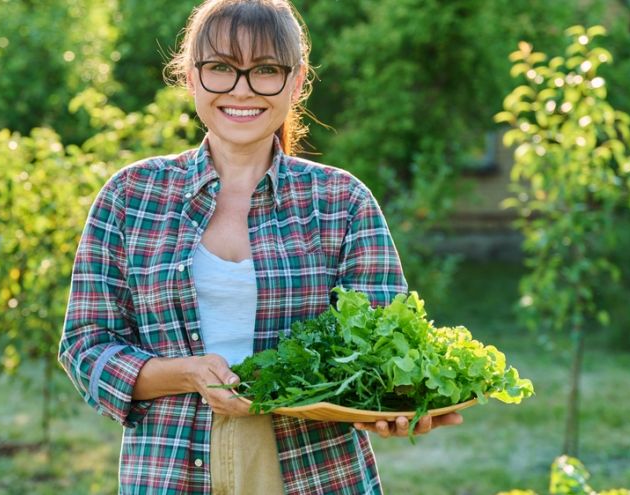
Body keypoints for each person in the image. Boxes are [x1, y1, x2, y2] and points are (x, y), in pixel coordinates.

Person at [58, 0, 462, 493]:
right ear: (190, 76)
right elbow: (85, 345)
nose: (242, 89)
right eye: (221, 69)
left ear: (296, 81)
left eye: (266, 70)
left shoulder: (341, 202)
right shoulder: (131, 196)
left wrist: (398, 405)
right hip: (169, 466)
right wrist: (186, 374)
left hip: (312, 468)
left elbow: (386, 344)